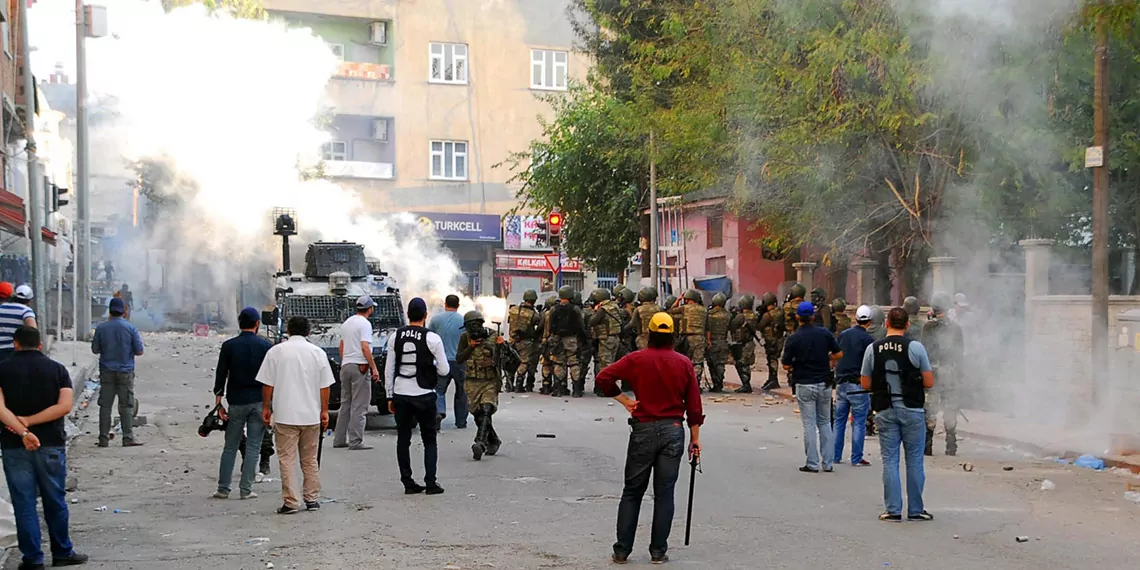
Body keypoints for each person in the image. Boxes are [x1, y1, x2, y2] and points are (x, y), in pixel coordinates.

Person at [595, 312, 703, 565]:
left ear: (649, 334)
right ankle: (657, 551)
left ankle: (622, 550)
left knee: (632, 491)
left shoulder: (636, 359)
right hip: (673, 430)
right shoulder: (684, 363)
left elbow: (603, 378)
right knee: (664, 493)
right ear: (673, 336)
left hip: (643, 430)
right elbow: (695, 407)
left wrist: (625, 402)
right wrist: (695, 439)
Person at [0, 326, 89, 568]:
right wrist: (31, 422)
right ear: (40, 344)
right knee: (54, 500)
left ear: (15, 343)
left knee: (24, 504)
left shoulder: (2, 369)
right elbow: (65, 406)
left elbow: (0, 409)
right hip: (50, 444)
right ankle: (62, 552)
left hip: (14, 446)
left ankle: (33, 559)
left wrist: (23, 430)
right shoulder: (57, 370)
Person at [860, 307, 935, 522]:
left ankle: (892, 509)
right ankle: (916, 509)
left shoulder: (873, 348)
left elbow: (865, 383)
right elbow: (929, 382)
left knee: (890, 461)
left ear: (886, 323)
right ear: (908, 325)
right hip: (912, 409)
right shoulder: (916, 347)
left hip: (884, 408)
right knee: (914, 461)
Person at [258, 317, 335, 515]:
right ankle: (312, 499)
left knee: (287, 458)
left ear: (288, 331)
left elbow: (268, 384)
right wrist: (324, 410)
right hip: (311, 415)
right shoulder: (318, 353)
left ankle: (291, 501)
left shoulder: (276, 352)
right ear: (308, 332)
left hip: (285, 415)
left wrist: (266, 407)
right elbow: (325, 386)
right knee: (310, 459)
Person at [386, 298, 449, 495]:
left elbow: (389, 369)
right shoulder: (432, 338)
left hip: (401, 393)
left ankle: (408, 482)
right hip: (424, 395)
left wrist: (389, 396)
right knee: (429, 439)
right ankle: (431, 482)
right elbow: (445, 370)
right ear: (425, 315)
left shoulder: (395, 336)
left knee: (403, 438)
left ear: (407, 314)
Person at [213, 307, 272, 500]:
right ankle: (246, 490)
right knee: (254, 446)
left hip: (236, 401)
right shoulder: (265, 346)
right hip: (258, 401)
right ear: (257, 324)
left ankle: (223, 488)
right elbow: (271, 378)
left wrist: (218, 402)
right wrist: (270, 405)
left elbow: (221, 374)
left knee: (230, 446)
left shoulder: (229, 346)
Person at [782, 301, 841, 473]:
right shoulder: (824, 334)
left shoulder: (793, 338)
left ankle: (812, 463)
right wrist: (826, 357)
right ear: (813, 317)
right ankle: (828, 463)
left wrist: (796, 363)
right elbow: (839, 353)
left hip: (804, 383)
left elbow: (785, 365)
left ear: (798, 317)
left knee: (809, 424)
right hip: (824, 383)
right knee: (825, 422)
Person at [457, 310, 518, 460]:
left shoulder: (494, 336)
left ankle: (480, 442)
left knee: (486, 409)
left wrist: (503, 346)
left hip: (490, 380)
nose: (473, 330)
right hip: (472, 382)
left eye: (475, 326)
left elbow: (515, 360)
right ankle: (493, 440)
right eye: (469, 328)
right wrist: (470, 347)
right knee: (478, 415)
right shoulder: (465, 338)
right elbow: (459, 359)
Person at [91, 297, 144, 447]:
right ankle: (127, 437)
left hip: (107, 371)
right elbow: (139, 351)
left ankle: (103, 438)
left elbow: (95, 349)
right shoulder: (130, 328)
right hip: (125, 372)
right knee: (126, 405)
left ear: (109, 311)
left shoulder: (101, 328)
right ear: (124, 312)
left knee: (105, 406)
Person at [333, 295, 379, 451]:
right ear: (370, 309)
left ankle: (339, 439)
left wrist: (345, 361)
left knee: (345, 403)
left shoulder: (347, 323)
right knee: (360, 405)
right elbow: (365, 347)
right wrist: (373, 367)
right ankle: (356, 441)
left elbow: (341, 346)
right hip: (360, 366)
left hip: (346, 365)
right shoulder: (365, 324)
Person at [922, 292, 965, 456]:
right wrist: (961, 375)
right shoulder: (956, 328)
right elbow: (960, 354)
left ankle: (928, 444)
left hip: (932, 371)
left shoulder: (928, 327)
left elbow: (924, 350)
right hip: (950, 371)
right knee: (950, 407)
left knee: (930, 407)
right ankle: (951, 444)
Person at [833, 305, 875, 467]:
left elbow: (835, 354)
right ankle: (856, 457)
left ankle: (835, 456)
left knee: (839, 421)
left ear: (856, 319)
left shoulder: (843, 335)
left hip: (841, 384)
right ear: (870, 321)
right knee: (858, 422)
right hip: (858, 385)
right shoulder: (868, 340)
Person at [430, 294, 467, 430]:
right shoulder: (464, 320)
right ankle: (461, 421)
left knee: (439, 390)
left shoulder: (436, 320)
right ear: (458, 306)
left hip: (441, 361)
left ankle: (439, 412)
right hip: (459, 361)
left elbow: (430, 338)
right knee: (462, 391)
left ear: (445, 304)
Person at [546, 286, 585, 397]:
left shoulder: (554, 309)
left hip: (557, 339)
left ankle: (558, 389)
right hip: (571, 339)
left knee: (558, 362)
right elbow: (581, 325)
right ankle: (576, 390)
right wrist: (583, 338)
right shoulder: (575, 309)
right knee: (573, 362)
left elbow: (550, 326)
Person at [587, 289, 624, 398]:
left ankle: (606, 389)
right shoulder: (614, 306)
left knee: (605, 365)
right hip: (615, 337)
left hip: (606, 338)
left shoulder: (603, 309)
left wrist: (594, 311)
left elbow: (592, 321)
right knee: (611, 363)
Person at [667, 290, 707, 389]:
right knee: (697, 362)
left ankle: (685, 384)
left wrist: (678, 300)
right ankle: (696, 384)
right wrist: (708, 340)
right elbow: (708, 327)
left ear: (687, 299)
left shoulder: (684, 308)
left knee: (686, 361)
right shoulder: (704, 310)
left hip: (686, 338)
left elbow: (670, 311)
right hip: (700, 337)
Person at [506, 290, 542, 393]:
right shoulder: (533, 314)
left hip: (512, 340)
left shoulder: (513, 309)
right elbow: (538, 326)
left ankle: (509, 384)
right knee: (524, 361)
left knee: (512, 361)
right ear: (534, 300)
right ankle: (519, 383)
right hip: (525, 341)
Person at [729, 295, 759, 393]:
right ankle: (746, 384)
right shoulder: (754, 315)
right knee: (745, 363)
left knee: (741, 363)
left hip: (743, 344)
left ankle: (746, 385)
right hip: (750, 342)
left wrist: (733, 315)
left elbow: (732, 326)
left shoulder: (741, 316)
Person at [0, 284, 38, 361]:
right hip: (13, 352)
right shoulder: (26, 311)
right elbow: (32, 332)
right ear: (29, 300)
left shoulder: (1, 307)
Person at [758, 292, 784, 391]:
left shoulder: (767, 315)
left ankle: (773, 380)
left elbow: (760, 326)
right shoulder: (780, 312)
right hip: (779, 339)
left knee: (771, 360)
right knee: (774, 359)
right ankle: (771, 379)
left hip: (771, 340)